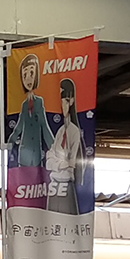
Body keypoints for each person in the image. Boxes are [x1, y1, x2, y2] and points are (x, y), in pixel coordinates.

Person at [46, 77, 85, 213]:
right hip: (53, 187)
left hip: (67, 186)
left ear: (71, 101)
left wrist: (57, 163)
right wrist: (59, 164)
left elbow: (72, 161)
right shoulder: (61, 130)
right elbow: (49, 158)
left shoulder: (74, 132)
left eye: (65, 101)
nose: (61, 105)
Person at [6, 53, 51, 170]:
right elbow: (19, 126)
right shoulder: (24, 105)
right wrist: (9, 142)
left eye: (31, 73)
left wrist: (53, 146)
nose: (28, 78)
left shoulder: (39, 102)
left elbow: (44, 125)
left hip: (36, 154)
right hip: (24, 155)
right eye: (24, 75)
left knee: (37, 184)